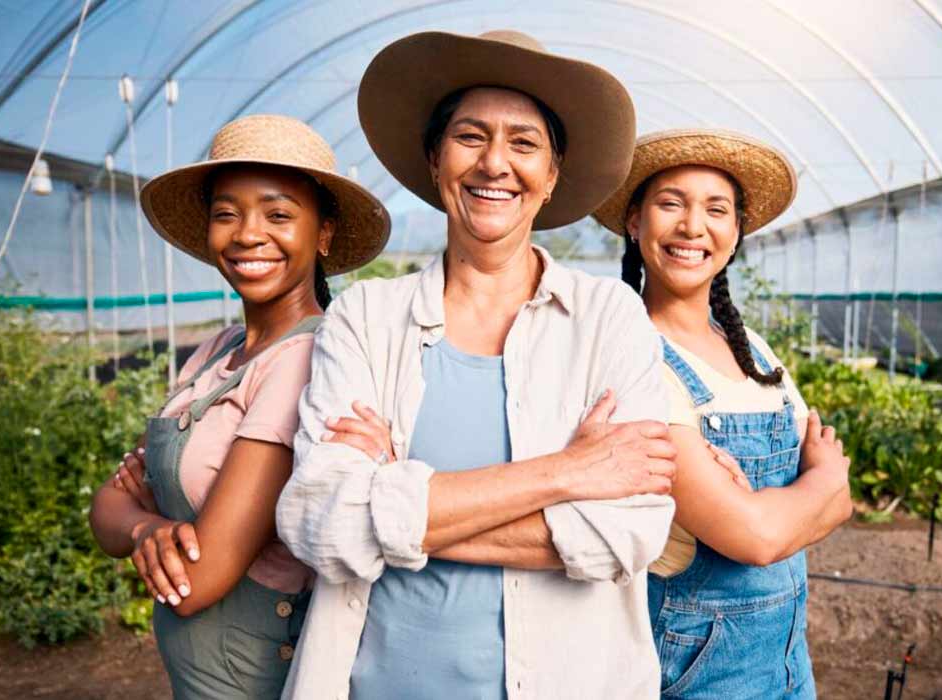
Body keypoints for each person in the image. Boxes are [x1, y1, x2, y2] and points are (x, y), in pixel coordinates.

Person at [275, 30, 676, 699]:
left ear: (550, 177)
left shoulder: (609, 317)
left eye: (524, 143)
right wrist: (567, 473)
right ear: (435, 160)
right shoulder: (366, 317)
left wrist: (394, 504)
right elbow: (320, 524)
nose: (495, 163)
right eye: (470, 136)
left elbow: (630, 531)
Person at [88, 114, 390, 699]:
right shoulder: (216, 350)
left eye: (278, 215)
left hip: (252, 675)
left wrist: (139, 517)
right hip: (197, 672)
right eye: (227, 213)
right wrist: (148, 527)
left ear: (323, 234)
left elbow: (199, 580)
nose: (248, 234)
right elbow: (105, 512)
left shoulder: (305, 360)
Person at [593, 128, 854, 698]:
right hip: (696, 666)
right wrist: (817, 485)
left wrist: (779, 504)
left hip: (788, 657)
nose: (693, 226)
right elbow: (756, 538)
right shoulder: (632, 357)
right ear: (633, 223)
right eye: (671, 204)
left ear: (735, 233)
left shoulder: (751, 346)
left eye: (716, 209)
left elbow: (841, 503)